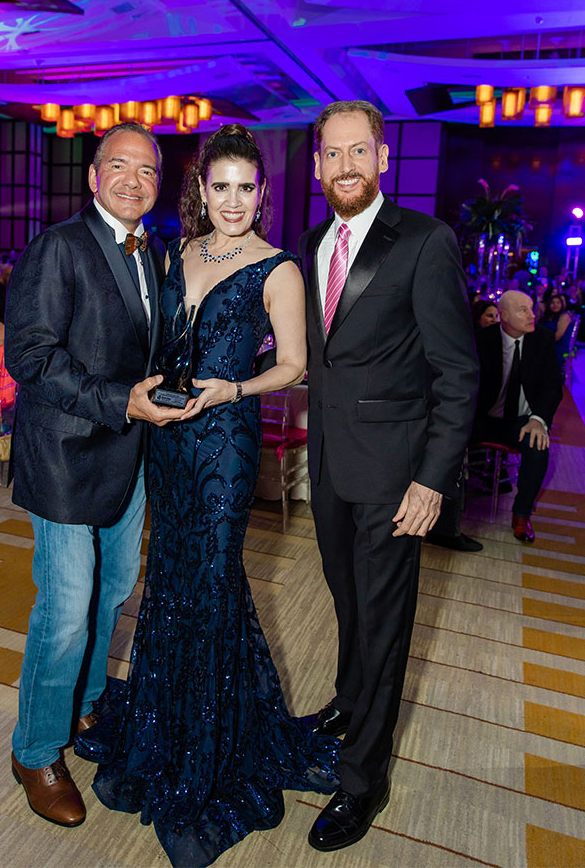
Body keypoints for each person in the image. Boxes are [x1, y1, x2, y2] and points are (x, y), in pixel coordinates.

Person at [87, 125, 338, 868]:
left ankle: (213, 744)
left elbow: (294, 363)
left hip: (225, 444)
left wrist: (237, 385)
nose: (233, 201)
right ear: (202, 191)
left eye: (246, 188)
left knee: (213, 578)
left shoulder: (278, 267)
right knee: (169, 576)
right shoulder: (176, 251)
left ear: (262, 193)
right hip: (169, 438)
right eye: (219, 186)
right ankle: (167, 725)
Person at [298, 101, 478, 853]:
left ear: (382, 159)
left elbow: (458, 373)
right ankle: (348, 699)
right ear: (316, 167)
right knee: (345, 598)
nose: (345, 166)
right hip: (332, 466)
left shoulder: (425, 242)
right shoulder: (310, 244)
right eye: (332, 154)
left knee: (384, 622)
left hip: (398, 478)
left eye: (358, 152)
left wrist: (432, 480)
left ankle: (362, 780)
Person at [4, 122, 190, 828]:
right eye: (121, 166)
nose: (135, 181)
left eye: (147, 171)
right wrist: (123, 401)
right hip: (65, 457)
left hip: (127, 453)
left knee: (112, 595)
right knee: (64, 608)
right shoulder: (59, 247)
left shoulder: (154, 253)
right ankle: (36, 749)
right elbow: (32, 356)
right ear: (93, 175)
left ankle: (80, 708)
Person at [474, 290, 562, 542]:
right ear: (504, 316)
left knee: (538, 445)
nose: (532, 315)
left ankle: (521, 515)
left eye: (532, 308)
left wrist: (539, 420)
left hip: (522, 420)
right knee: (448, 439)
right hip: (483, 416)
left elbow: (552, 386)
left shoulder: (542, 339)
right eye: (524, 310)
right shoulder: (482, 339)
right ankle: (448, 515)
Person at [539, 293, 575, 376]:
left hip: (558, 346)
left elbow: (558, 335)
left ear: (562, 304)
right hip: (549, 344)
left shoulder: (564, 316)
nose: (555, 305)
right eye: (552, 303)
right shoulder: (548, 316)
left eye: (558, 303)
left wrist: (543, 344)